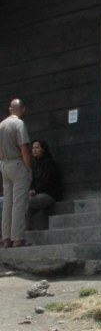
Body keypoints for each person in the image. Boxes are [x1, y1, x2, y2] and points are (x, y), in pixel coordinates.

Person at [0, 99, 33, 248]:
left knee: (7, 203)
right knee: (19, 203)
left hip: (4, 164)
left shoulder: (1, 125)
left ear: (9, 109)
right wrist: (28, 167)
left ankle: (6, 238)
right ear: (23, 109)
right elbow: (24, 148)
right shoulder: (19, 124)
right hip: (17, 164)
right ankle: (18, 238)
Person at [28, 139, 61, 227]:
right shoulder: (35, 165)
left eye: (37, 147)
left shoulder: (48, 163)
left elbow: (46, 182)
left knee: (23, 203)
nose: (34, 150)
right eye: (33, 148)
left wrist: (35, 191)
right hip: (38, 194)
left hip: (49, 194)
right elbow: (33, 182)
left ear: (43, 149)